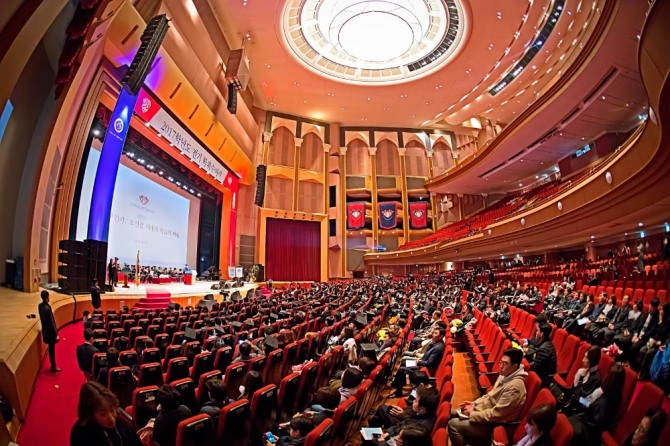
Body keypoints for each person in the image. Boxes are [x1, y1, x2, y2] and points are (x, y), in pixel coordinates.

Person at [448, 348, 528, 446]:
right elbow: (490, 395)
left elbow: (497, 415)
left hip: (492, 424)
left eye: (505, 364)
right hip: (486, 412)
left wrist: (472, 414)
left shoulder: (515, 387)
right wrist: (474, 403)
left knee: (453, 424)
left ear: (514, 366)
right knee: (452, 414)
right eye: (501, 362)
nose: (501, 366)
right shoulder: (506, 374)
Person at [70, 381, 142, 446]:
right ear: (91, 415)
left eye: (112, 410)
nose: (111, 418)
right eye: (103, 414)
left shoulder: (123, 423)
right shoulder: (80, 434)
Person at [569, 364, 625, 444]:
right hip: (589, 417)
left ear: (609, 379)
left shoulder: (602, 401)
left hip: (588, 429)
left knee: (565, 424)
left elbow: (589, 405)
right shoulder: (616, 394)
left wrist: (579, 398)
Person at [390, 328, 445, 398]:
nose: (433, 334)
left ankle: (398, 391)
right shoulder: (436, 343)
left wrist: (419, 362)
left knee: (401, 369)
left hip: (423, 369)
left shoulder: (438, 348)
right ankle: (399, 384)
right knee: (404, 362)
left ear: (441, 336)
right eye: (433, 332)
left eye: (436, 333)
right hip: (421, 363)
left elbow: (429, 363)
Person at [38, 290, 60, 372]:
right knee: (52, 350)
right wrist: (56, 334)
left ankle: (53, 366)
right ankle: (53, 367)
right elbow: (51, 323)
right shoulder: (47, 308)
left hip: (45, 331)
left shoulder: (40, 306)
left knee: (51, 349)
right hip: (50, 334)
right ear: (47, 298)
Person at [529, 324, 557, 388]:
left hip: (543, 380)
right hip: (545, 375)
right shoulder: (548, 343)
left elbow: (536, 369)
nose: (536, 333)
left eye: (537, 331)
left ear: (541, 334)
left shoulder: (543, 349)